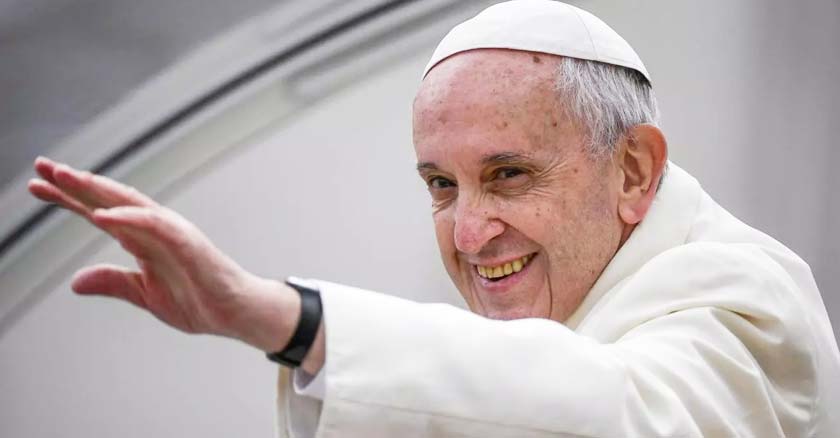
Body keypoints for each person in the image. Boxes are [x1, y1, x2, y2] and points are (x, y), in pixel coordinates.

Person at [27, 1, 840, 437]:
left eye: (510, 175)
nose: (469, 232)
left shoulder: (748, 298)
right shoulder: (560, 304)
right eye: (442, 186)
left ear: (633, 170)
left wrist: (286, 318)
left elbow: (617, 418)